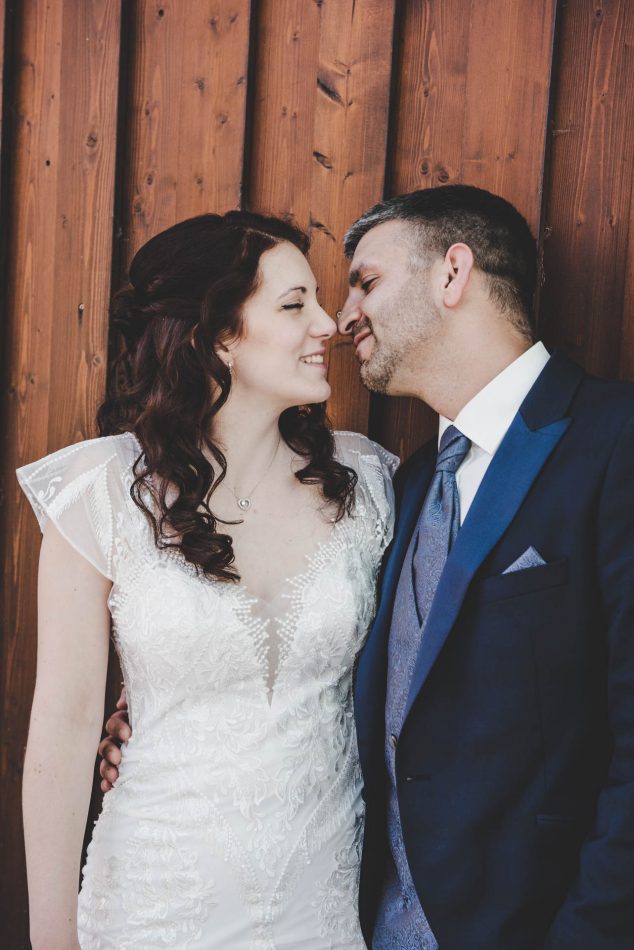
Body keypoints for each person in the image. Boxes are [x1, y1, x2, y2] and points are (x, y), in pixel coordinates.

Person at [101, 185, 634, 948]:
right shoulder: (399, 487)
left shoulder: (617, 441)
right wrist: (155, 705)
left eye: (367, 283)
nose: (344, 318)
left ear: (453, 274)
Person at [18, 211, 398, 949]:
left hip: (318, 903)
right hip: (154, 898)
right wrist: (50, 938)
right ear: (215, 335)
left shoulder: (371, 486)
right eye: (294, 305)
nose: (330, 324)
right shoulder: (101, 494)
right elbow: (62, 731)